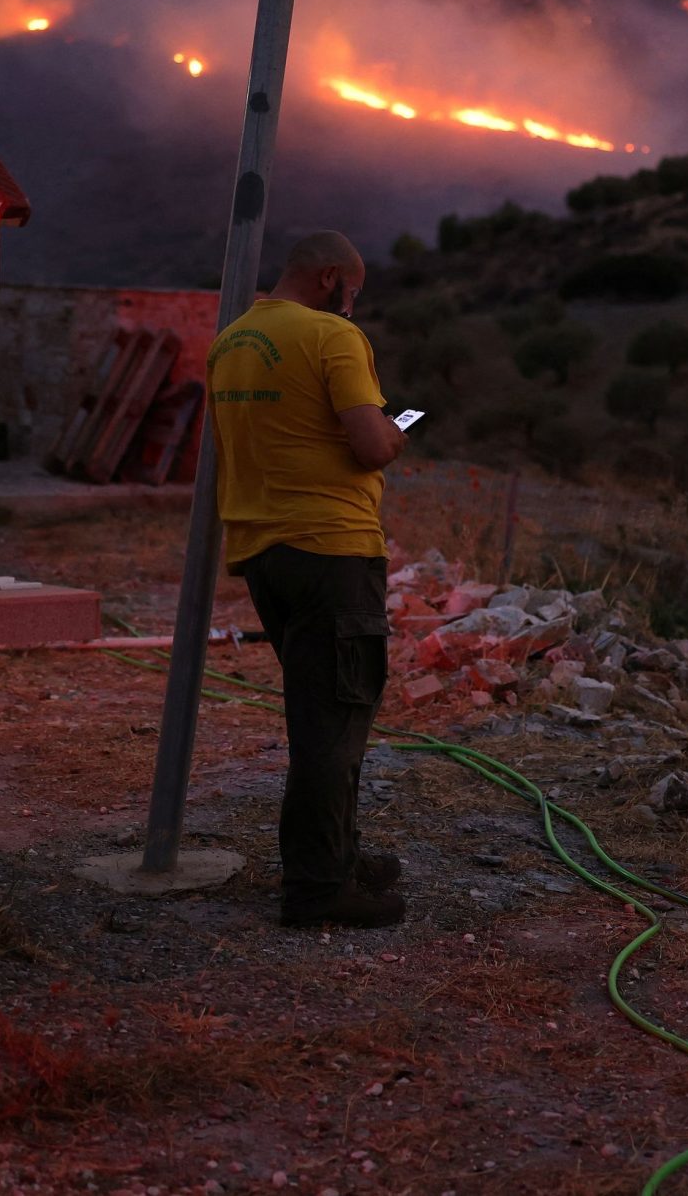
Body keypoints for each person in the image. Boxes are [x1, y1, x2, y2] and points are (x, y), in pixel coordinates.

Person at [205, 229, 409, 928]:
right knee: (334, 723)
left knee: (319, 711)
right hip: (332, 549)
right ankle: (319, 887)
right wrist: (397, 431)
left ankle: (340, 856)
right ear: (331, 280)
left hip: (264, 550)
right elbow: (372, 443)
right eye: (352, 291)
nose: (353, 303)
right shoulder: (331, 336)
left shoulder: (232, 342)